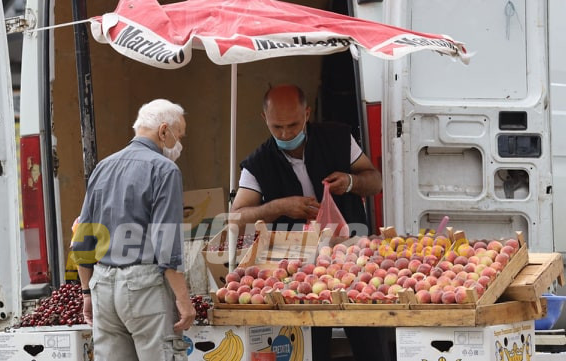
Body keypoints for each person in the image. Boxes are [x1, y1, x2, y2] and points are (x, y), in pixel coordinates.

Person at [231, 84, 391, 361]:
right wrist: (279, 206)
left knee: (369, 340)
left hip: (352, 258)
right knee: (310, 348)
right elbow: (237, 217)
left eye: (292, 125)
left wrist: (352, 182)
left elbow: (374, 180)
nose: (285, 134)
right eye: (277, 127)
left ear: (307, 114)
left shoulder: (338, 138)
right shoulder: (258, 163)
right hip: (296, 271)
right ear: (264, 119)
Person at [71, 98, 195, 361]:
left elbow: (82, 239)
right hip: (145, 288)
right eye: (179, 135)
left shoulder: (102, 167)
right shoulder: (165, 170)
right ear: (163, 131)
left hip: (103, 286)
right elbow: (166, 245)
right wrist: (183, 299)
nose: (179, 144)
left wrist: (86, 293)